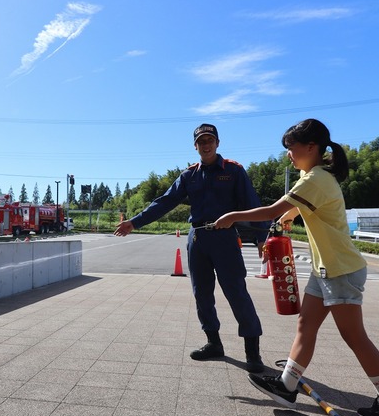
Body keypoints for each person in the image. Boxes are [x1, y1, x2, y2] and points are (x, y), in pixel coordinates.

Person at [213, 118, 379, 416]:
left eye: (291, 148)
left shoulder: (315, 179)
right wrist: (289, 216)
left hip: (340, 270)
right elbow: (295, 207)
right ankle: (287, 386)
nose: (288, 154)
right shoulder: (316, 177)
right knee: (305, 326)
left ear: (312, 147)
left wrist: (232, 216)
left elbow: (272, 210)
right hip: (325, 270)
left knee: (354, 336)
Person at [114, 123, 270, 373]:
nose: (206, 144)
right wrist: (135, 222)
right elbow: (164, 202)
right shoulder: (189, 175)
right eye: (201, 141)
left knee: (236, 292)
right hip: (197, 238)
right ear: (195, 146)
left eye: (210, 140)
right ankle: (213, 343)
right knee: (201, 293)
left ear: (218, 143)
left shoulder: (234, 171)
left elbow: (251, 203)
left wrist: (261, 237)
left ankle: (253, 352)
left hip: (225, 238)